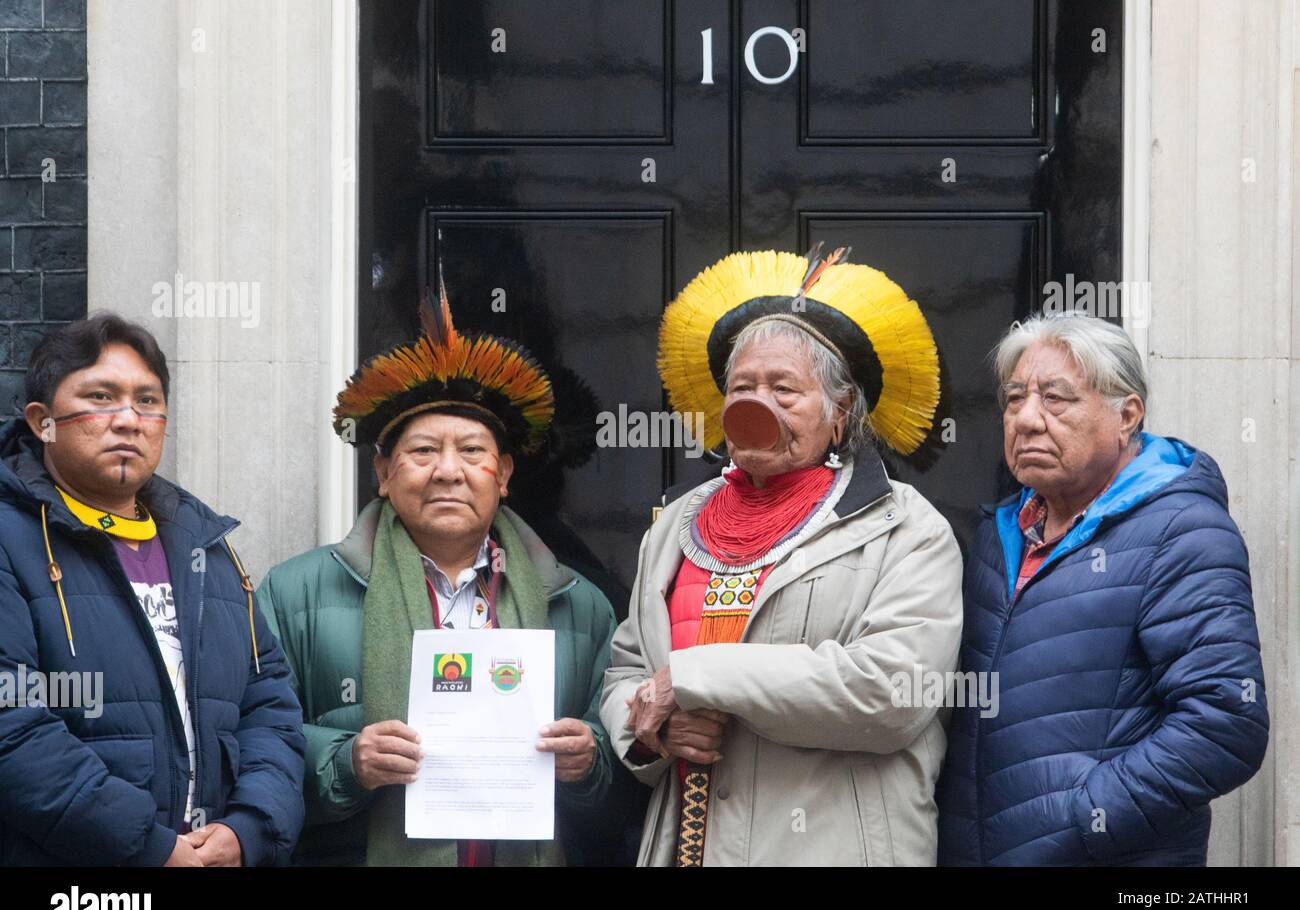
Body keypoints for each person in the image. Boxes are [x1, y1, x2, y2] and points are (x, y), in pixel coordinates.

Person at [601, 247, 963, 865]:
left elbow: (893, 693)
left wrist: (692, 678)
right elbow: (627, 671)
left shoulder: (905, 527)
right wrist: (649, 728)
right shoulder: (677, 524)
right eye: (742, 387)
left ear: (840, 412)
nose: (757, 404)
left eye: (783, 388)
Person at [257, 279, 627, 866]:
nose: (448, 472)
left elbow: (624, 770)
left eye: (473, 453)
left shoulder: (578, 604)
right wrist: (346, 761)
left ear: (503, 474)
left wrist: (589, 763)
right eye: (423, 451)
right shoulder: (297, 591)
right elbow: (255, 744)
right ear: (383, 472)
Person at [937, 311, 1269, 866]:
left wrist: (1082, 820)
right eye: (1015, 398)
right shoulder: (999, 535)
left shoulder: (1181, 530)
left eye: (1056, 399)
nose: (1026, 419)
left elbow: (1226, 721)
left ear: (1127, 415)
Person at [0, 312, 305, 866]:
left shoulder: (205, 548)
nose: (128, 420)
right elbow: (11, 726)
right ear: (42, 421)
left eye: (146, 400)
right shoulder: (10, 539)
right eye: (100, 397)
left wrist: (249, 829)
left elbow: (269, 708)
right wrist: (148, 848)